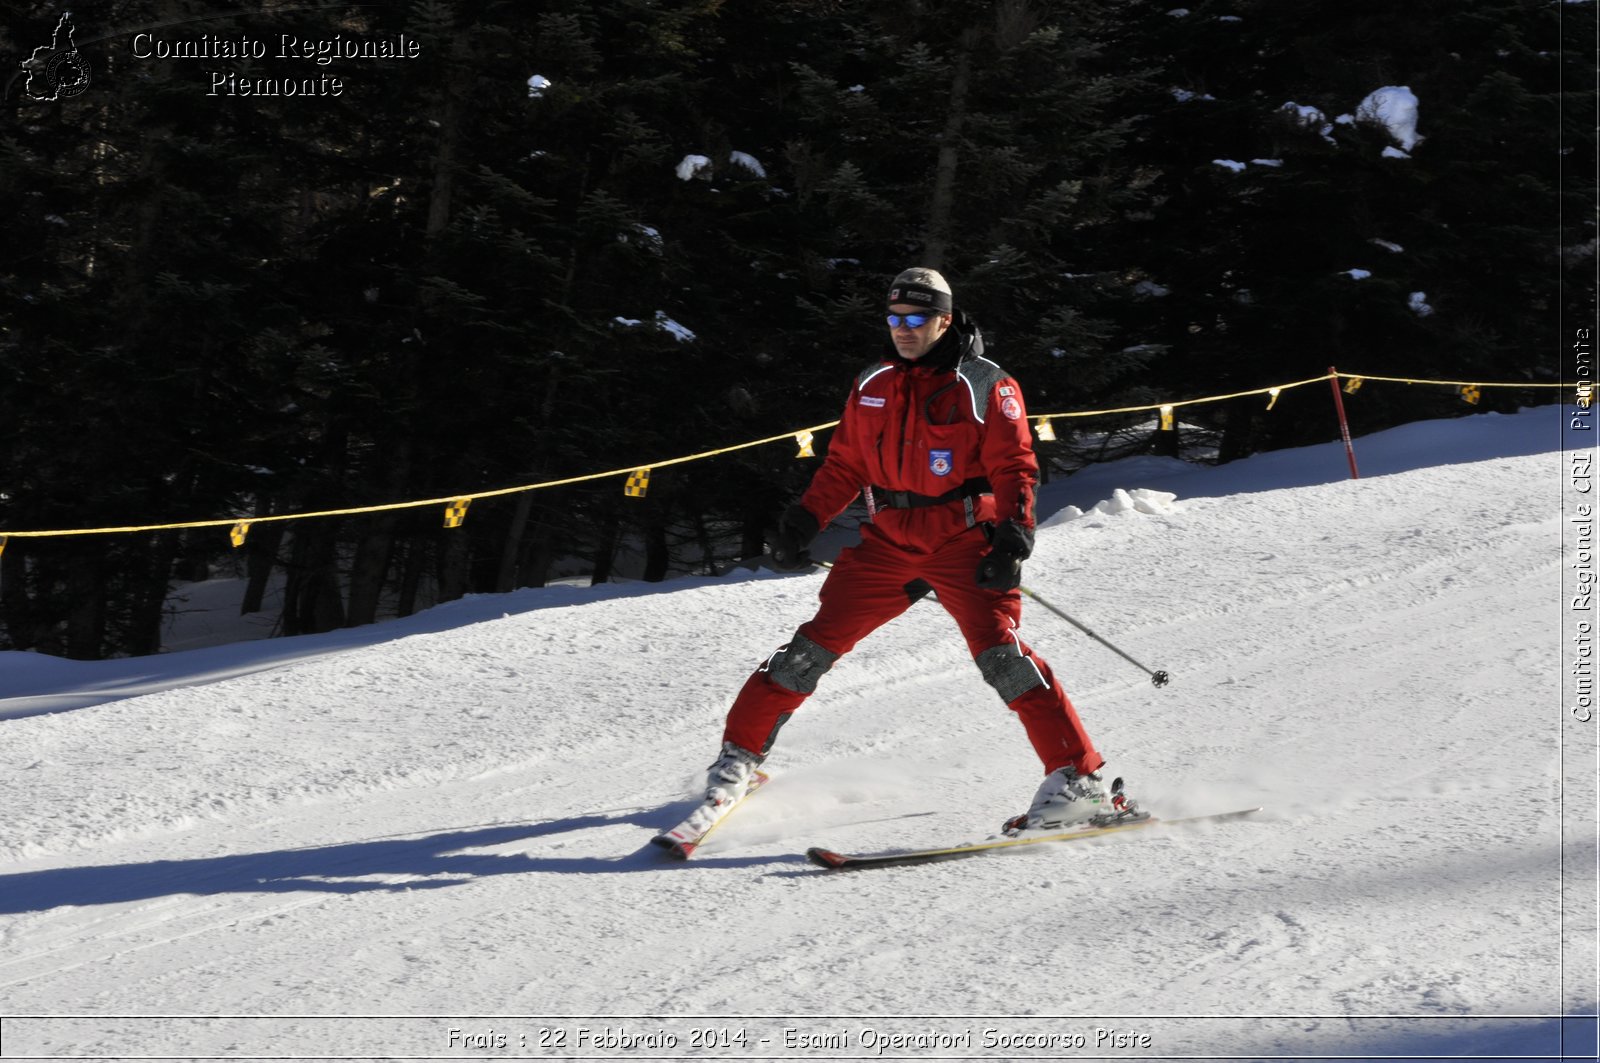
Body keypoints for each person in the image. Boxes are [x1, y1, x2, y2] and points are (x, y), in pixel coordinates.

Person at [704, 267, 1131, 834]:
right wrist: (805, 521)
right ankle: (739, 757)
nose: (903, 329)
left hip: (963, 541)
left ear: (944, 320)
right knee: (808, 650)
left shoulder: (985, 384)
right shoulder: (873, 381)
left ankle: (1079, 780)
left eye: (917, 318)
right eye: (894, 318)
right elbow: (846, 464)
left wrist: (1013, 537)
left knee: (1002, 657)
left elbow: (1014, 466)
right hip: (887, 541)